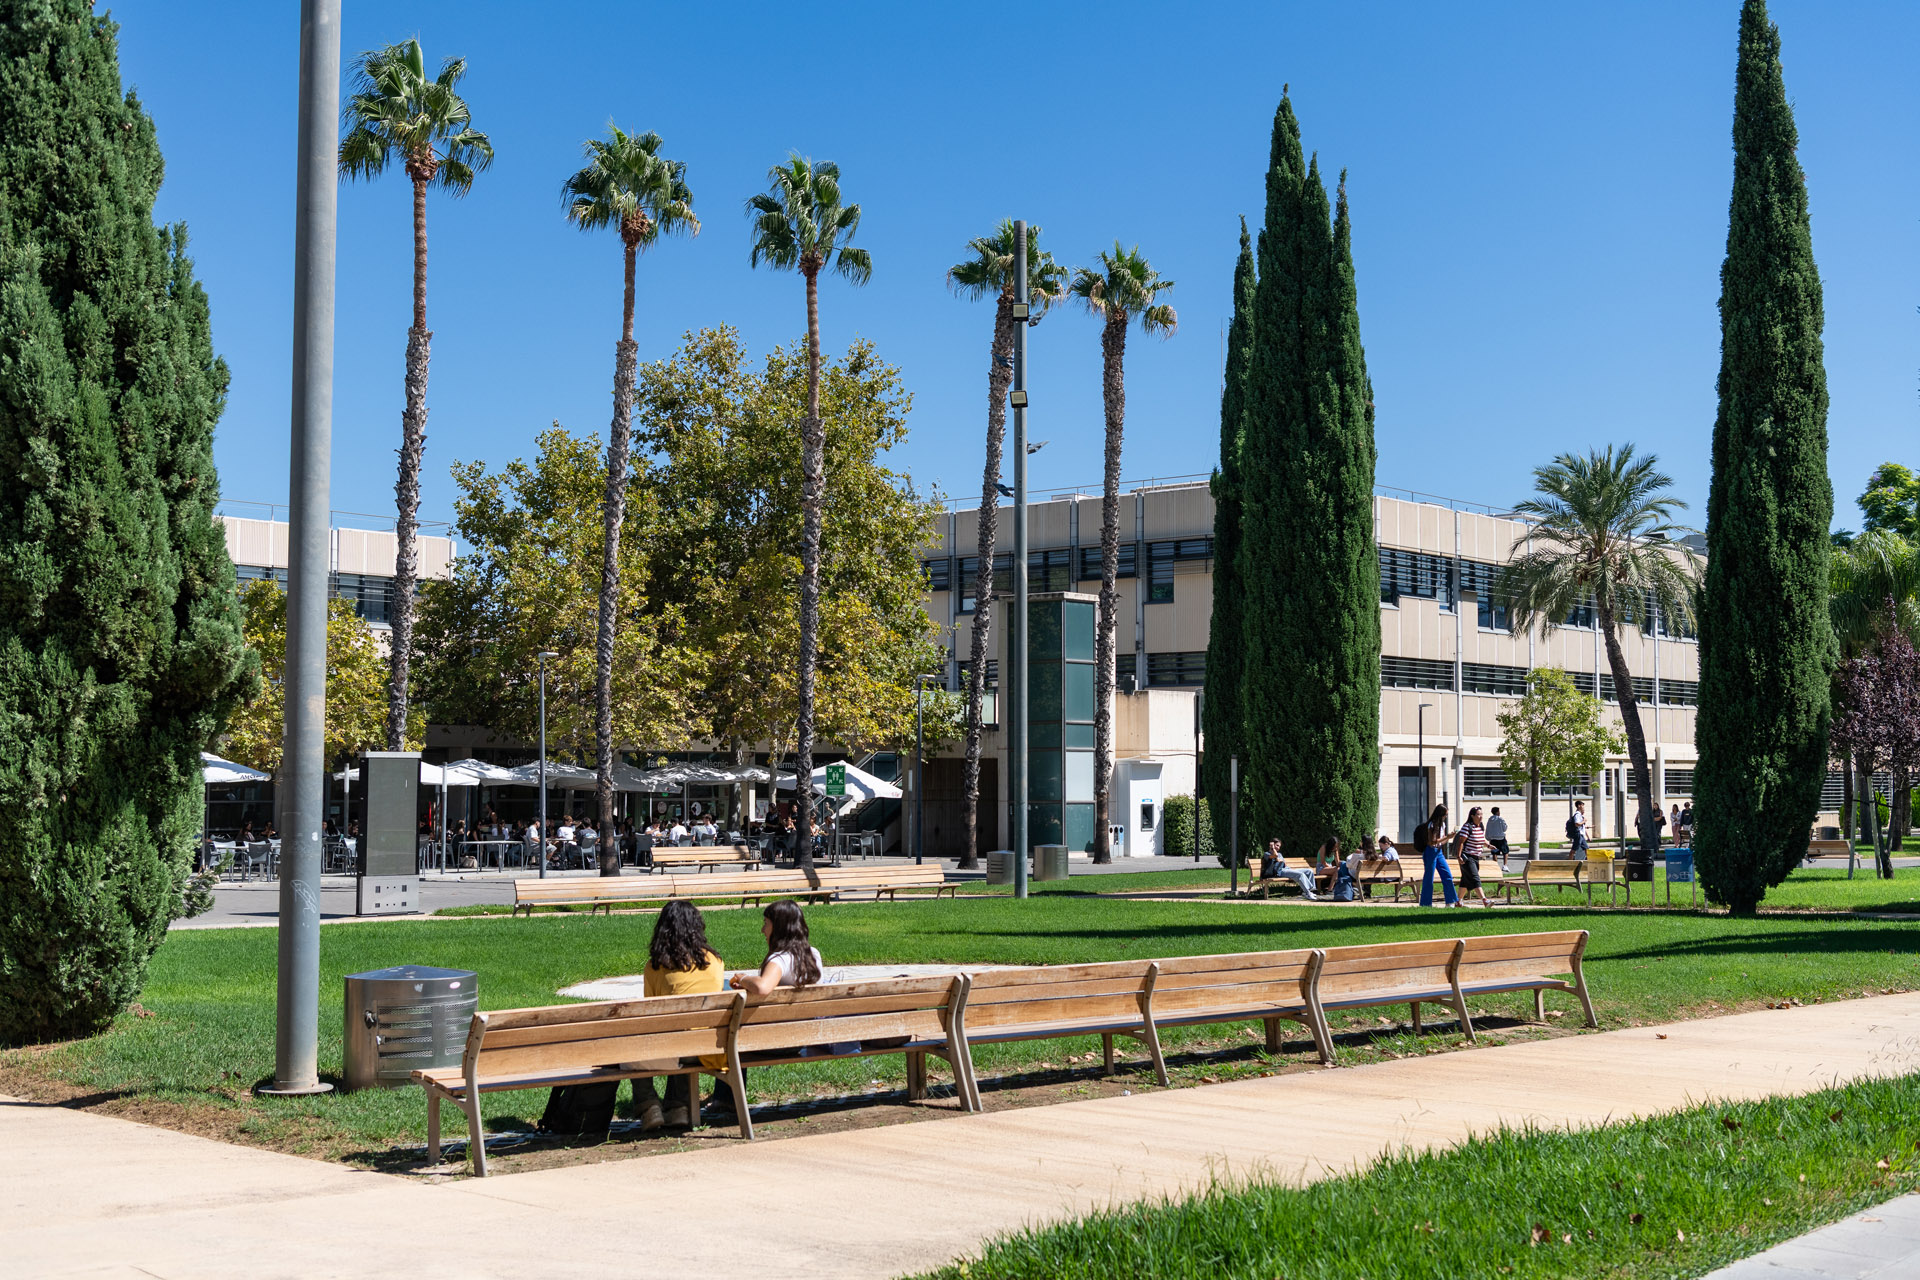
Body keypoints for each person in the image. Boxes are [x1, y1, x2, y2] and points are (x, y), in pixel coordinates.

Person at [632, 900, 727, 1130]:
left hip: (676, 1048)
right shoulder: (715, 962)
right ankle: (679, 1108)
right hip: (711, 1048)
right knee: (687, 1033)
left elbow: (651, 1016)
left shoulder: (654, 967)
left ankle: (649, 1106)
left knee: (632, 1047)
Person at [1453, 807, 1493, 907]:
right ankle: (1485, 900)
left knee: (1465, 879)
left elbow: (1481, 839)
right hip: (1467, 857)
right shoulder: (1467, 827)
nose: (1481, 817)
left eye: (1481, 814)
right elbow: (1461, 842)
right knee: (1475, 878)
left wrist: (1488, 845)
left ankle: (1458, 901)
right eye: (1478, 814)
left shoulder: (1480, 826)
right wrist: (1459, 856)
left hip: (1476, 857)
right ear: (1472, 816)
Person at [1416, 821, 1460, 908]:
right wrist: (1447, 837)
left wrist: (1449, 837)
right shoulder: (1432, 824)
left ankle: (1450, 901)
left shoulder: (1443, 824)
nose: (1445, 817)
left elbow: (1441, 842)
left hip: (1439, 851)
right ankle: (1425, 904)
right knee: (1429, 878)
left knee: (1447, 875)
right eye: (1445, 815)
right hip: (1430, 851)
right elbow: (1432, 842)